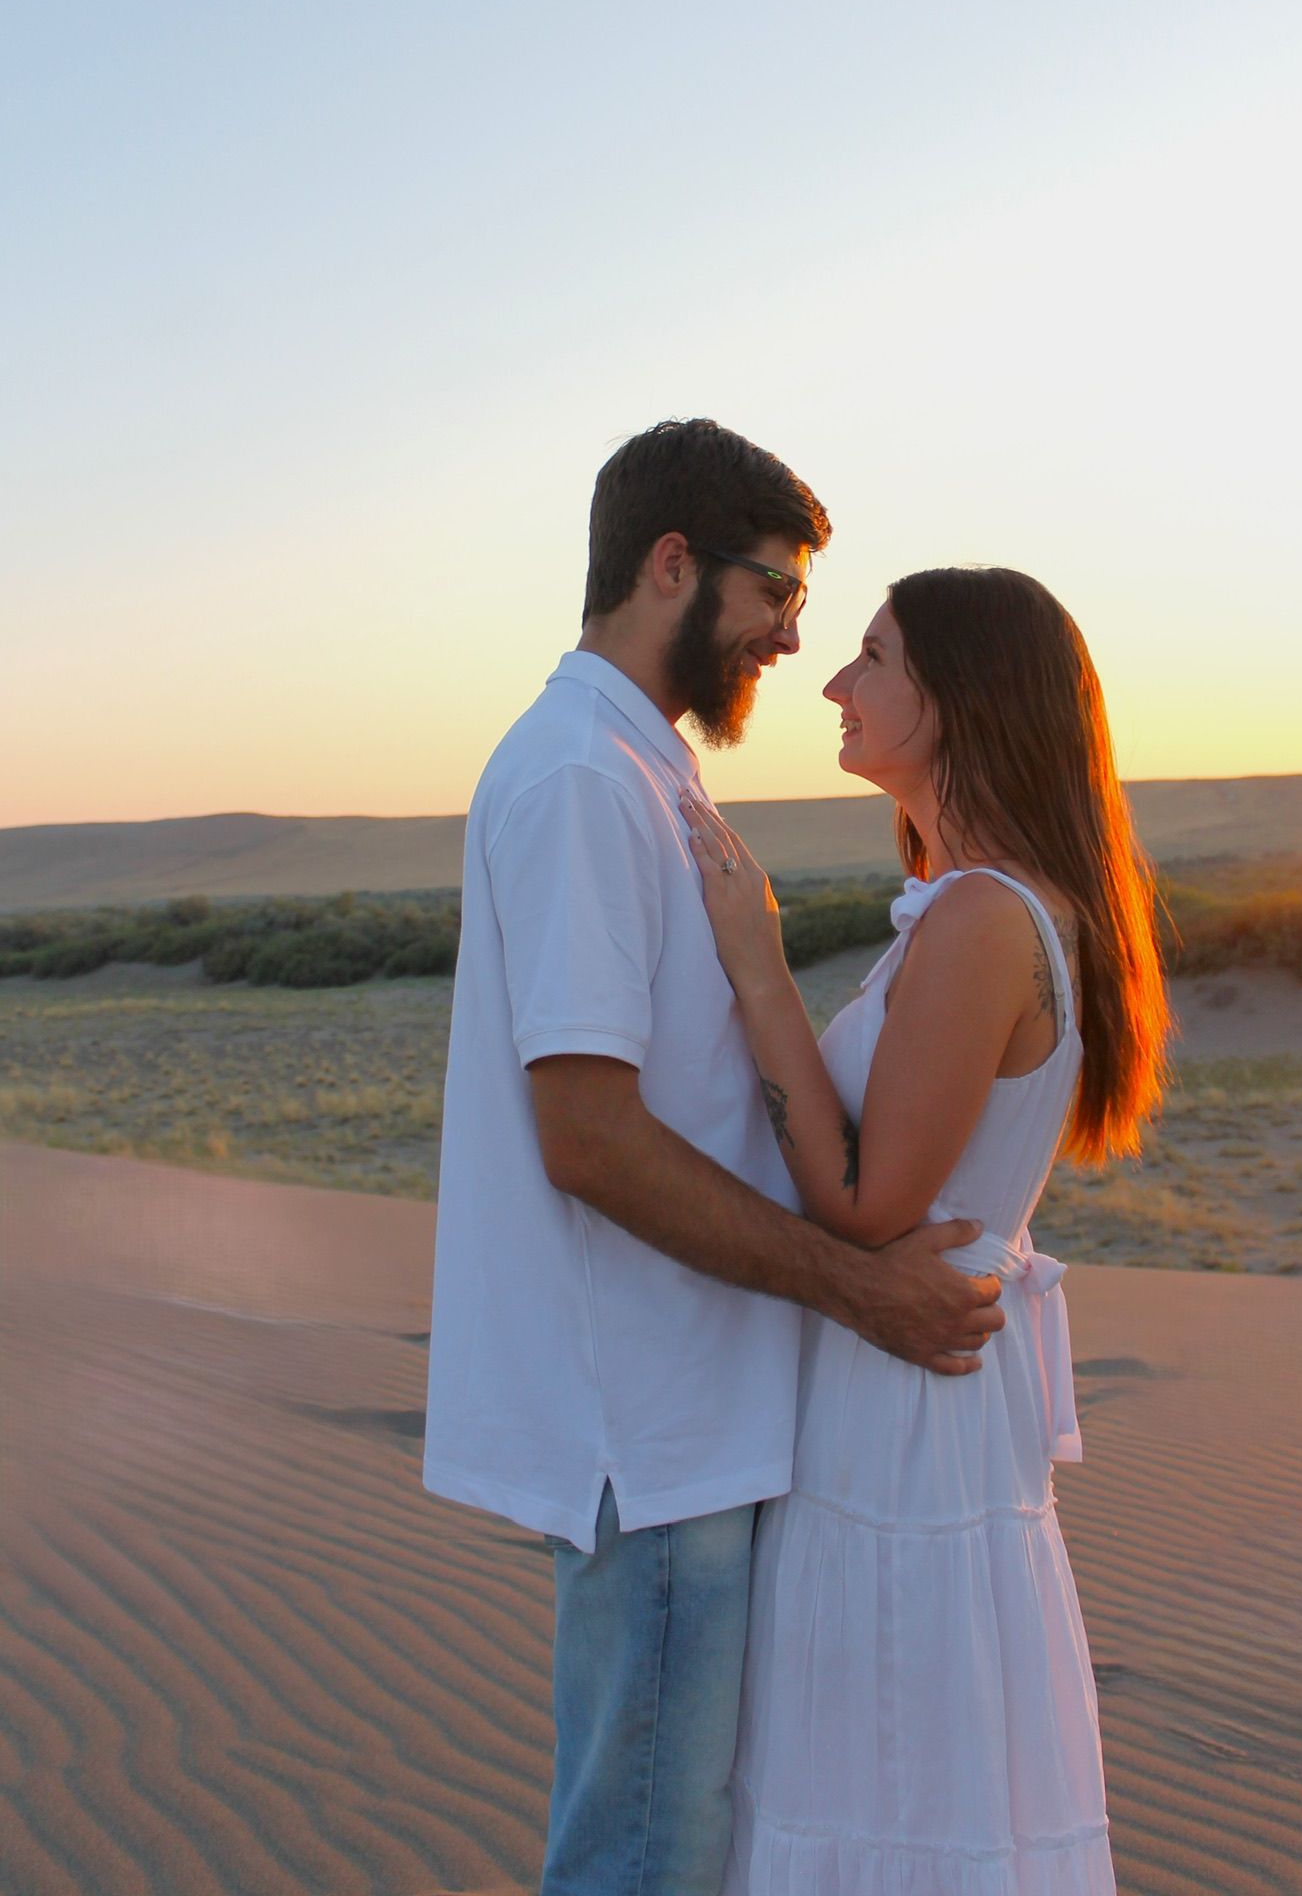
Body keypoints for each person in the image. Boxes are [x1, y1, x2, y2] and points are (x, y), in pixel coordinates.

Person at [423, 421, 1006, 1896]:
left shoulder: (640, 764)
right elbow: (588, 1136)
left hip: (695, 1419)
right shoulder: (582, 778)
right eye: (776, 592)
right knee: (643, 1860)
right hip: (653, 1428)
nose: (793, 639)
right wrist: (859, 1290)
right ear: (672, 565)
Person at [680, 565, 1170, 1896]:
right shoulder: (987, 906)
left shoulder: (984, 917)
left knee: (887, 1769)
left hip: (906, 1404)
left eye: (874, 656)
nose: (836, 685)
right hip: (915, 1385)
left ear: (958, 696)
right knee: (900, 1769)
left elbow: (864, 1204)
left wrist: (756, 963)